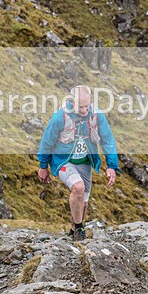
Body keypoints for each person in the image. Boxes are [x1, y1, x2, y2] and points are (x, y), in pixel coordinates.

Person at [37, 85, 119, 241]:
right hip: (63, 161)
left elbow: (108, 140)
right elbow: (47, 141)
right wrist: (43, 166)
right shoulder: (60, 117)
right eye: (80, 107)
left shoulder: (97, 115)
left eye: (87, 106)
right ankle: (80, 229)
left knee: (84, 203)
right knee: (78, 187)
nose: (84, 110)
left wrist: (111, 166)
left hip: (85, 162)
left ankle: (74, 229)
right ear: (71, 103)